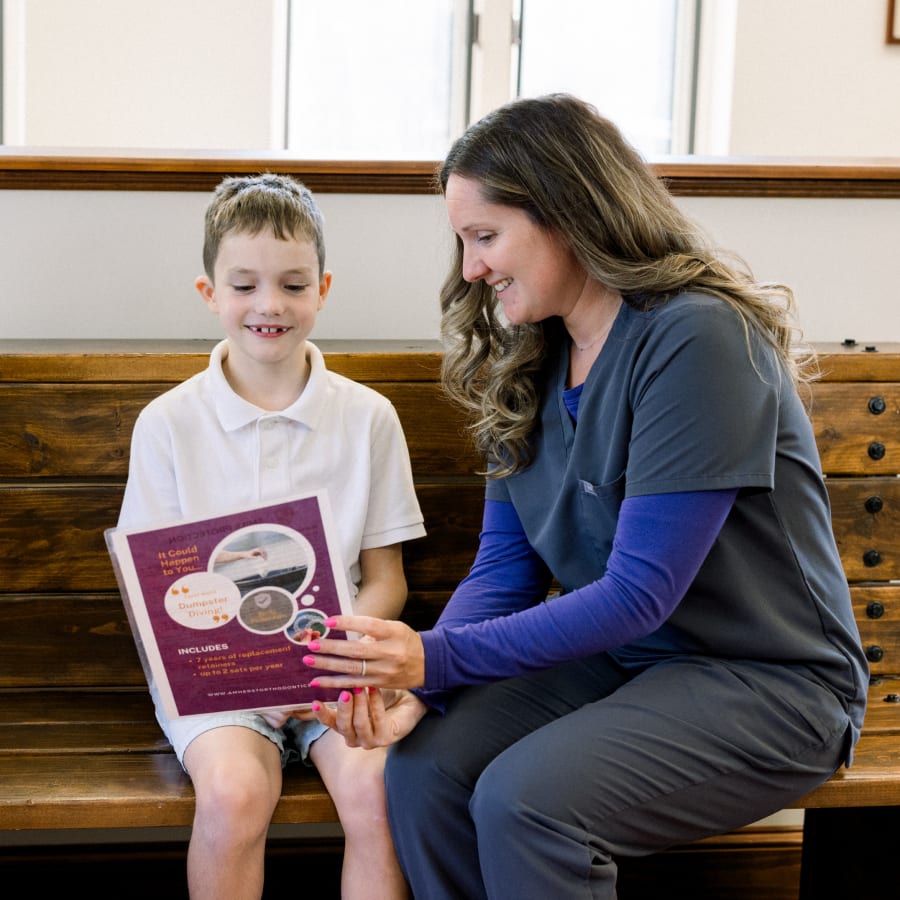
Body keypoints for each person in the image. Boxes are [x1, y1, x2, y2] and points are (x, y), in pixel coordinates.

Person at [302, 94, 868, 899]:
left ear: (567, 212)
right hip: (630, 664)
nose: (470, 268)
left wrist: (434, 654)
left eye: (485, 237)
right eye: (464, 241)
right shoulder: (531, 358)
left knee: (530, 803)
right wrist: (420, 686)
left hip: (771, 685)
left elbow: (640, 594)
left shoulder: (697, 337)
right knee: (425, 771)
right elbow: (504, 571)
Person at [117, 173, 424, 900]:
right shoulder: (169, 423)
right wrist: (231, 670)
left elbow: (388, 577)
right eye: (245, 284)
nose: (269, 306)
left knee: (381, 791)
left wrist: (332, 658)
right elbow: (151, 587)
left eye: (292, 285)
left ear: (322, 288)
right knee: (234, 795)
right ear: (210, 293)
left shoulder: (369, 416)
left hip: (335, 671)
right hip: (216, 679)